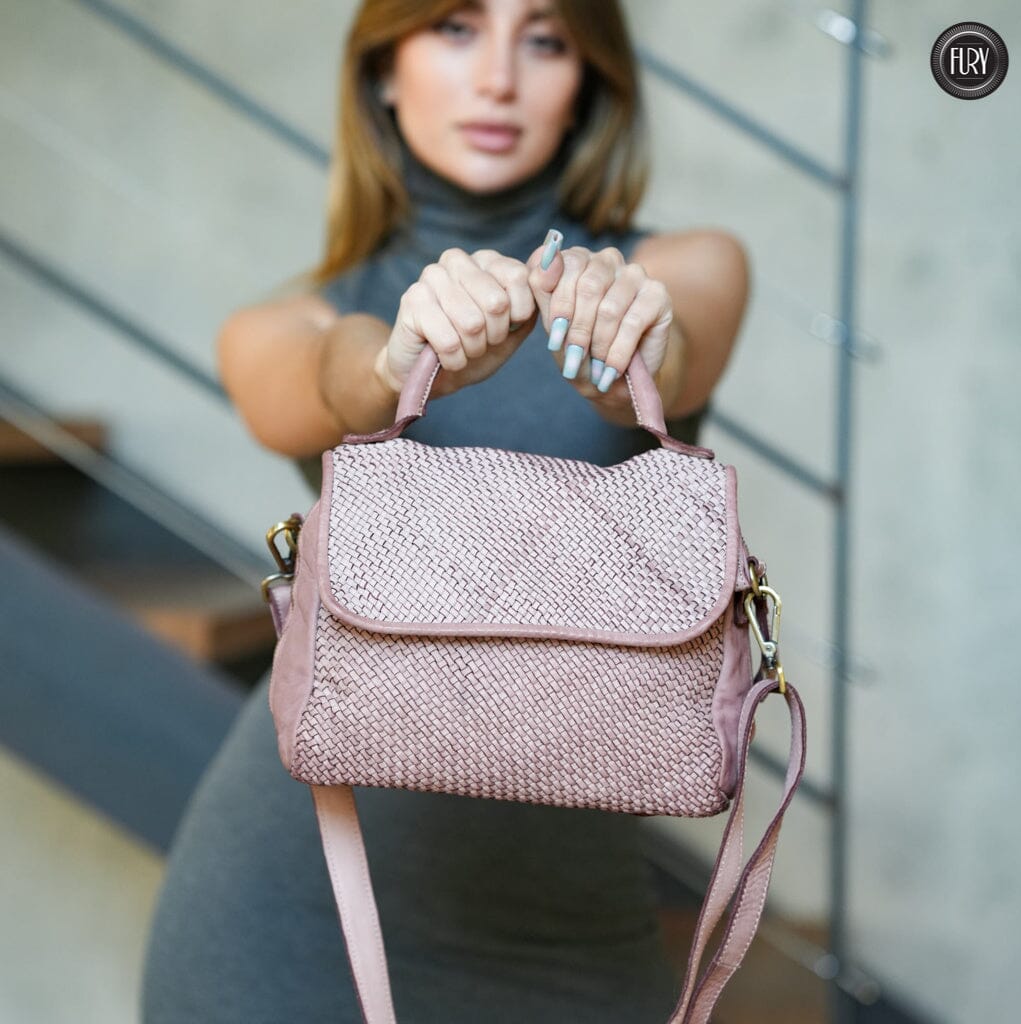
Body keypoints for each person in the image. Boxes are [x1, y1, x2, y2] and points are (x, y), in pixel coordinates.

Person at [140, 1, 749, 1021]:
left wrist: (625, 340)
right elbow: (324, 377)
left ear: (588, 84)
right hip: (292, 909)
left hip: (570, 933)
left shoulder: (684, 270)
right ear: (383, 70)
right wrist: (393, 362)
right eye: (456, 28)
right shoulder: (286, 320)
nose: (499, 77)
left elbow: (672, 357)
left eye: (545, 39)